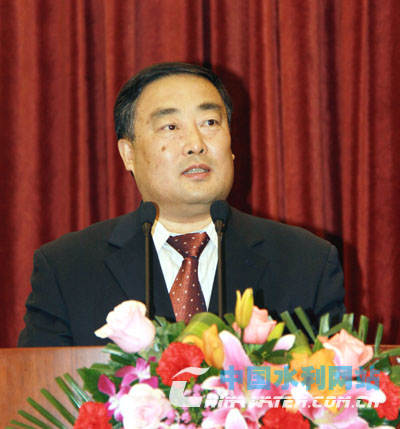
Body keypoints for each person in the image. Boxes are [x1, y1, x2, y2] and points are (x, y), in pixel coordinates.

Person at [18, 62, 345, 347]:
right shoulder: (67, 269)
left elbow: (333, 387)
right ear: (128, 154)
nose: (195, 144)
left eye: (210, 123)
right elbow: (38, 392)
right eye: (171, 127)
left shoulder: (306, 262)